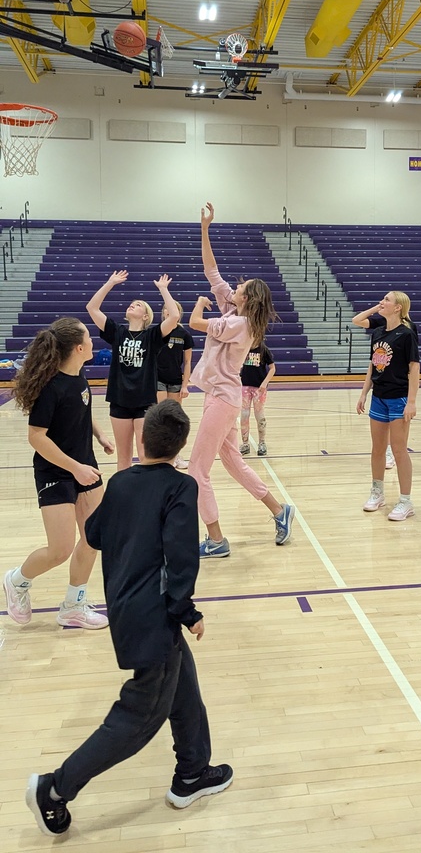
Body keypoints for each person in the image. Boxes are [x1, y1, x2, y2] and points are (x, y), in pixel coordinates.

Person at [25, 400, 233, 837]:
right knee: (139, 718)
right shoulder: (182, 487)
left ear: (141, 440)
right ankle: (55, 789)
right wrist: (186, 612)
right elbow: (181, 561)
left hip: (125, 611)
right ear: (179, 449)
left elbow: (95, 533)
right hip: (155, 617)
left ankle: (193, 771)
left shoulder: (121, 482)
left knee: (182, 685)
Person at [188, 202, 294, 558]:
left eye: (239, 287)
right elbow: (211, 270)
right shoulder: (234, 310)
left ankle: (216, 539)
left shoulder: (239, 323)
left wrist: (200, 306)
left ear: (246, 298)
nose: (232, 286)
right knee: (233, 462)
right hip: (221, 395)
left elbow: (196, 324)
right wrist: (205, 229)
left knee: (197, 471)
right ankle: (281, 511)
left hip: (223, 399)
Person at [4, 318, 113, 630]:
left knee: (93, 537)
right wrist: (74, 468)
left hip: (85, 467)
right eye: (89, 337)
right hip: (57, 471)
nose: (93, 341)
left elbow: (82, 412)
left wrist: (99, 435)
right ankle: (17, 581)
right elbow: (37, 437)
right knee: (60, 549)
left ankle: (73, 606)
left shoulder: (79, 375)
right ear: (79, 348)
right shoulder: (51, 387)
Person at [86, 271, 180, 471]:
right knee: (124, 459)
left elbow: (174, 316)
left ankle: (147, 499)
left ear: (146, 316)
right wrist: (110, 282)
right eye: (132, 303)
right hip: (119, 400)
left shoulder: (152, 335)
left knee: (146, 456)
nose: (132, 304)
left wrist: (163, 290)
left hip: (144, 401)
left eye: (138, 304)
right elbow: (92, 308)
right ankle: (124, 498)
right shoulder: (117, 332)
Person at [356, 291, 420, 520]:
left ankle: (405, 501)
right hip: (379, 397)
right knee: (377, 449)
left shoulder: (406, 334)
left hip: (399, 398)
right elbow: (373, 366)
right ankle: (377, 492)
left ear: (398, 308)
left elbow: (414, 368)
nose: (382, 302)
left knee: (400, 450)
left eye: (386, 300)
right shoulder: (378, 332)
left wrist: (411, 402)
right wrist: (364, 393)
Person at [156, 301, 194, 469]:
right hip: (158, 380)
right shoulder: (157, 332)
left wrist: (185, 385)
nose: (169, 312)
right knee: (161, 416)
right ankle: (160, 456)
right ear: (163, 312)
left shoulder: (184, 335)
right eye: (166, 309)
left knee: (174, 419)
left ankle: (175, 456)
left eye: (173, 310)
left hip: (175, 381)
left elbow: (187, 362)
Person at [239, 342, 276, 456]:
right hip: (245, 387)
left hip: (259, 388)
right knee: (244, 415)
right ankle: (245, 444)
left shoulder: (264, 350)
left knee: (259, 416)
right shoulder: (243, 347)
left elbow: (272, 368)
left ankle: (262, 443)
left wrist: (264, 383)